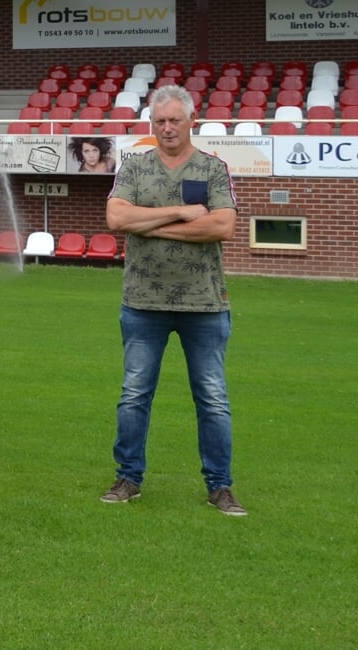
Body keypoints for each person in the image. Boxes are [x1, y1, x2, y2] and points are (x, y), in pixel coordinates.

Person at [102, 85, 243, 515]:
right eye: (159, 121)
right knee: (134, 395)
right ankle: (129, 478)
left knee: (212, 398)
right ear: (151, 123)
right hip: (143, 303)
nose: (166, 128)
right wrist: (180, 212)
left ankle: (220, 485)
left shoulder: (213, 168)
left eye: (174, 120)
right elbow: (116, 218)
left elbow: (222, 227)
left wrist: (149, 224)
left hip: (205, 304)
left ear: (190, 121)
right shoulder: (134, 167)